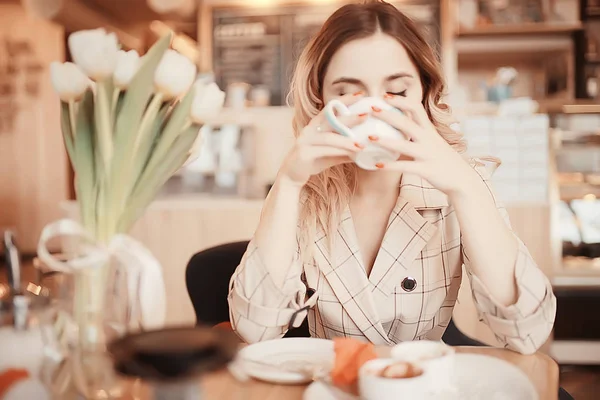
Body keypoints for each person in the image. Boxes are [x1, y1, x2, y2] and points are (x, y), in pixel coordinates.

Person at [227, 0, 556, 355]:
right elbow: (255, 331)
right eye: (348, 93)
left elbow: (528, 332)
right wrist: (288, 183)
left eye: (396, 92)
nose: (373, 110)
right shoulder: (305, 190)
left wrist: (466, 188)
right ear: (321, 99)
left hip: (420, 382)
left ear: (425, 94)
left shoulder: (459, 184)